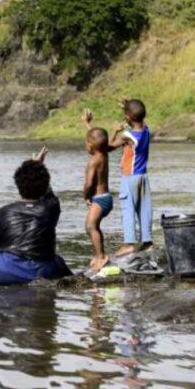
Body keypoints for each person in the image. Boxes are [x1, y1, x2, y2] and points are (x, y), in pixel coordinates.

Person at [0, 148, 73, 286]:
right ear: (45, 185)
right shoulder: (50, 208)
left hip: (4, 269)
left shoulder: (3, 212)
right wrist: (38, 167)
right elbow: (48, 193)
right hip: (41, 270)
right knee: (61, 267)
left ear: (17, 184)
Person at [110, 99, 152, 257]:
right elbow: (139, 119)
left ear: (127, 118)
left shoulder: (127, 135)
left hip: (130, 177)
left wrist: (115, 131)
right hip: (143, 176)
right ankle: (147, 242)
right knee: (144, 209)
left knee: (128, 209)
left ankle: (128, 244)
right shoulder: (147, 130)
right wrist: (128, 108)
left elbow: (108, 146)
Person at [80, 109, 114, 273]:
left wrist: (86, 196)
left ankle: (101, 257)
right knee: (95, 226)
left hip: (99, 199)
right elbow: (97, 138)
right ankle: (97, 255)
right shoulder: (104, 154)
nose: (86, 144)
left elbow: (88, 183)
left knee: (90, 226)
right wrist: (87, 124)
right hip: (106, 198)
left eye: (87, 142)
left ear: (91, 145)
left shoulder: (93, 162)